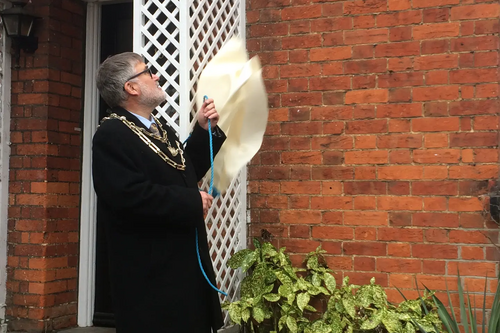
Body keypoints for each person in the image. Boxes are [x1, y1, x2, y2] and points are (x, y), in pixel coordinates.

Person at [92, 52, 225, 333]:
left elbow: (183, 172)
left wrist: (203, 131)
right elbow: (127, 196)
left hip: (182, 271)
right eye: (147, 71)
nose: (156, 76)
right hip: (152, 280)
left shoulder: (158, 127)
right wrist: (190, 201)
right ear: (131, 87)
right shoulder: (111, 135)